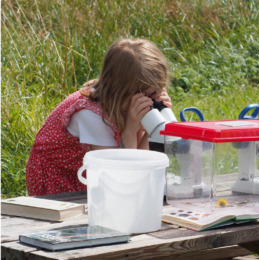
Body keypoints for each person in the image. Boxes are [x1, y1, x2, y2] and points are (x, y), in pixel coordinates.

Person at [26, 38, 172, 196]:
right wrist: (130, 131)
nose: (150, 102)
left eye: (154, 94)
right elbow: (120, 175)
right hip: (57, 176)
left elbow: (142, 163)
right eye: (146, 95)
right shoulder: (91, 115)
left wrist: (155, 128)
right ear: (116, 86)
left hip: (88, 172)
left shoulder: (124, 102)